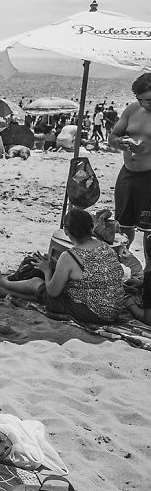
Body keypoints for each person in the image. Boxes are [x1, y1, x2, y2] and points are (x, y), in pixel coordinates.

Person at [0, 208, 127, 325]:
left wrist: (47, 270)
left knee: (37, 284)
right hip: (113, 308)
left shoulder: (69, 256)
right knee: (49, 288)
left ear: (66, 231)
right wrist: (54, 265)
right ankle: (3, 290)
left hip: (94, 312)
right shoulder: (105, 247)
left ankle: (3, 283)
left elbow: (52, 292)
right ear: (91, 228)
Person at [108, 73, 151, 322]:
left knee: (149, 230)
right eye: (140, 99)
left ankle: (147, 272)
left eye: (148, 100)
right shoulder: (132, 109)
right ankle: (125, 268)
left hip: (149, 177)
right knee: (123, 225)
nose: (144, 104)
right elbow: (112, 137)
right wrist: (121, 142)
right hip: (128, 174)